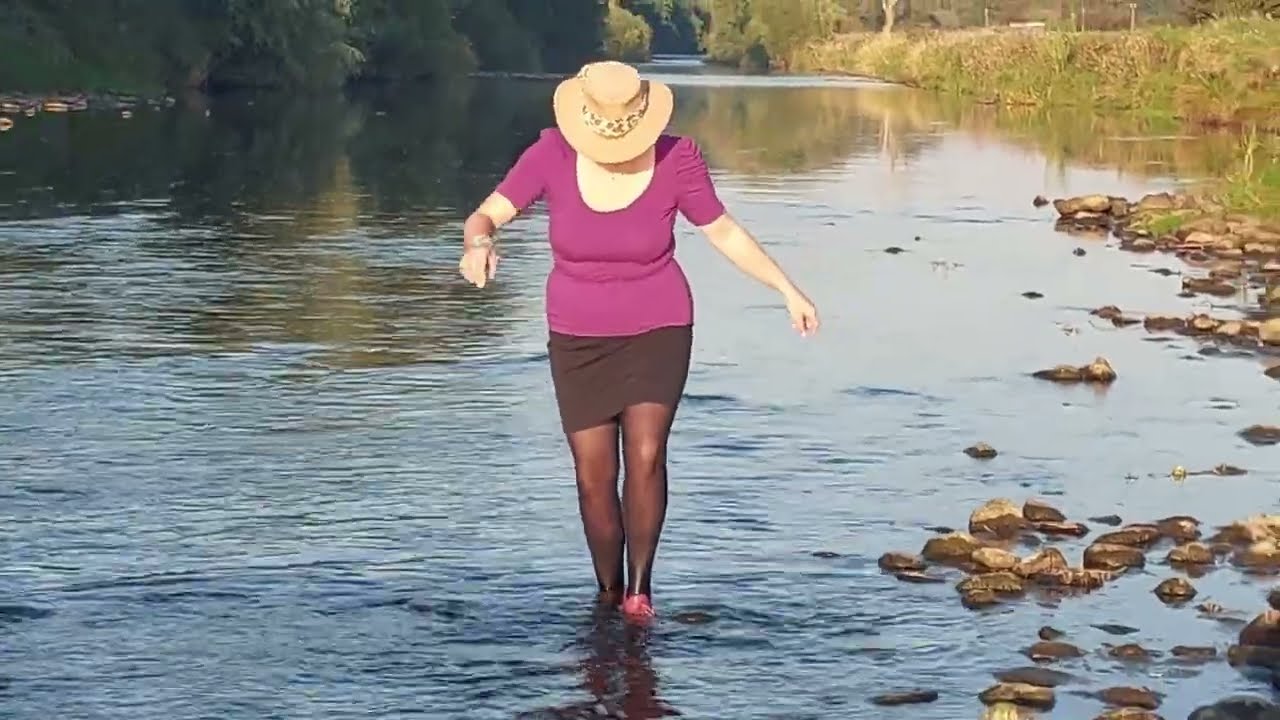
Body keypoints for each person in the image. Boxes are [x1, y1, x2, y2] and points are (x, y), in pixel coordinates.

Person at [458, 61, 818, 621]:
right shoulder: (551, 154)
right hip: (577, 335)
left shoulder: (678, 158)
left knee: (646, 456)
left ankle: (639, 592)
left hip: (659, 326)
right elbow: (486, 215)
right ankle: (607, 589)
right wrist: (478, 245)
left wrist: (786, 288)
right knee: (593, 476)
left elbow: (722, 229)